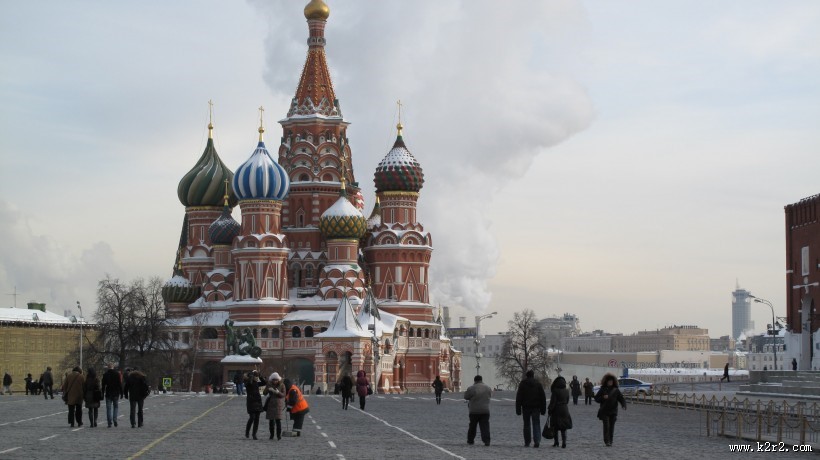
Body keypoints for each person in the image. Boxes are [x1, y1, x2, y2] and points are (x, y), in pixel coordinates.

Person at [515, 369, 546, 448]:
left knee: (526, 425)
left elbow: (519, 397)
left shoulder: (522, 384)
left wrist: (518, 409)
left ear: (527, 375)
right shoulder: (538, 384)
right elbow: (543, 397)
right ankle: (537, 441)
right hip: (536, 407)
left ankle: (527, 441)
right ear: (533, 375)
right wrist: (543, 409)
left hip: (526, 407)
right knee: (536, 424)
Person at [594, 373, 626, 447]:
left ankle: (611, 440)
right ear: (606, 382)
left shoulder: (616, 390)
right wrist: (602, 398)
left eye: (611, 381)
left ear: (613, 382)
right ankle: (606, 441)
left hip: (613, 411)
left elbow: (621, 399)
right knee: (606, 426)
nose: (610, 382)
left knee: (611, 427)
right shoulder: (602, 389)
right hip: (604, 411)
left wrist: (623, 405)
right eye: (609, 381)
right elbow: (596, 399)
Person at [464, 375, 491, 446]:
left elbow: (466, 397)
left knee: (472, 426)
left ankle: (470, 440)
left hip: (474, 410)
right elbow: (490, 395)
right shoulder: (488, 388)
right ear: (481, 380)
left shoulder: (472, 388)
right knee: (485, 426)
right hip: (485, 410)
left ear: (475, 380)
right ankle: (486, 441)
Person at [548, 376, 573, 448]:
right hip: (565, 409)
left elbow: (553, 402)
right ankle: (564, 442)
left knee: (555, 426)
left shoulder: (555, 391)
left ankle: (556, 442)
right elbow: (567, 400)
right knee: (563, 427)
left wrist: (550, 410)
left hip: (556, 410)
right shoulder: (566, 390)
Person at [264, 372, 286, 440]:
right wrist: (268, 389)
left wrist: (277, 392)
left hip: (278, 404)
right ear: (271, 380)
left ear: (278, 380)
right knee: (271, 421)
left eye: (276, 380)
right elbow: (264, 393)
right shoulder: (269, 384)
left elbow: (283, 395)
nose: (275, 381)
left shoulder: (282, 385)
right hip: (270, 404)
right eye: (273, 380)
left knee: (278, 421)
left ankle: (279, 436)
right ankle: (272, 435)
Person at [244, 370, 265, 439]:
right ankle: (247, 432)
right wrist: (251, 376)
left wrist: (260, 376)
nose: (256, 378)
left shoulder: (256, 383)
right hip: (251, 402)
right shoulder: (248, 383)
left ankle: (254, 434)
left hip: (258, 402)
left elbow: (264, 382)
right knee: (252, 417)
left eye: (257, 376)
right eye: (255, 376)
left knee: (257, 419)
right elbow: (249, 383)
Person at [101, 363, 123, 427]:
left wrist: (102, 393)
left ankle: (109, 422)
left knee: (108, 408)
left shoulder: (105, 374)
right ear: (113, 367)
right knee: (115, 407)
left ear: (108, 367)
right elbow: (119, 384)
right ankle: (115, 419)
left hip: (108, 393)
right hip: (116, 393)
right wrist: (121, 393)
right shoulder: (117, 374)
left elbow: (103, 385)